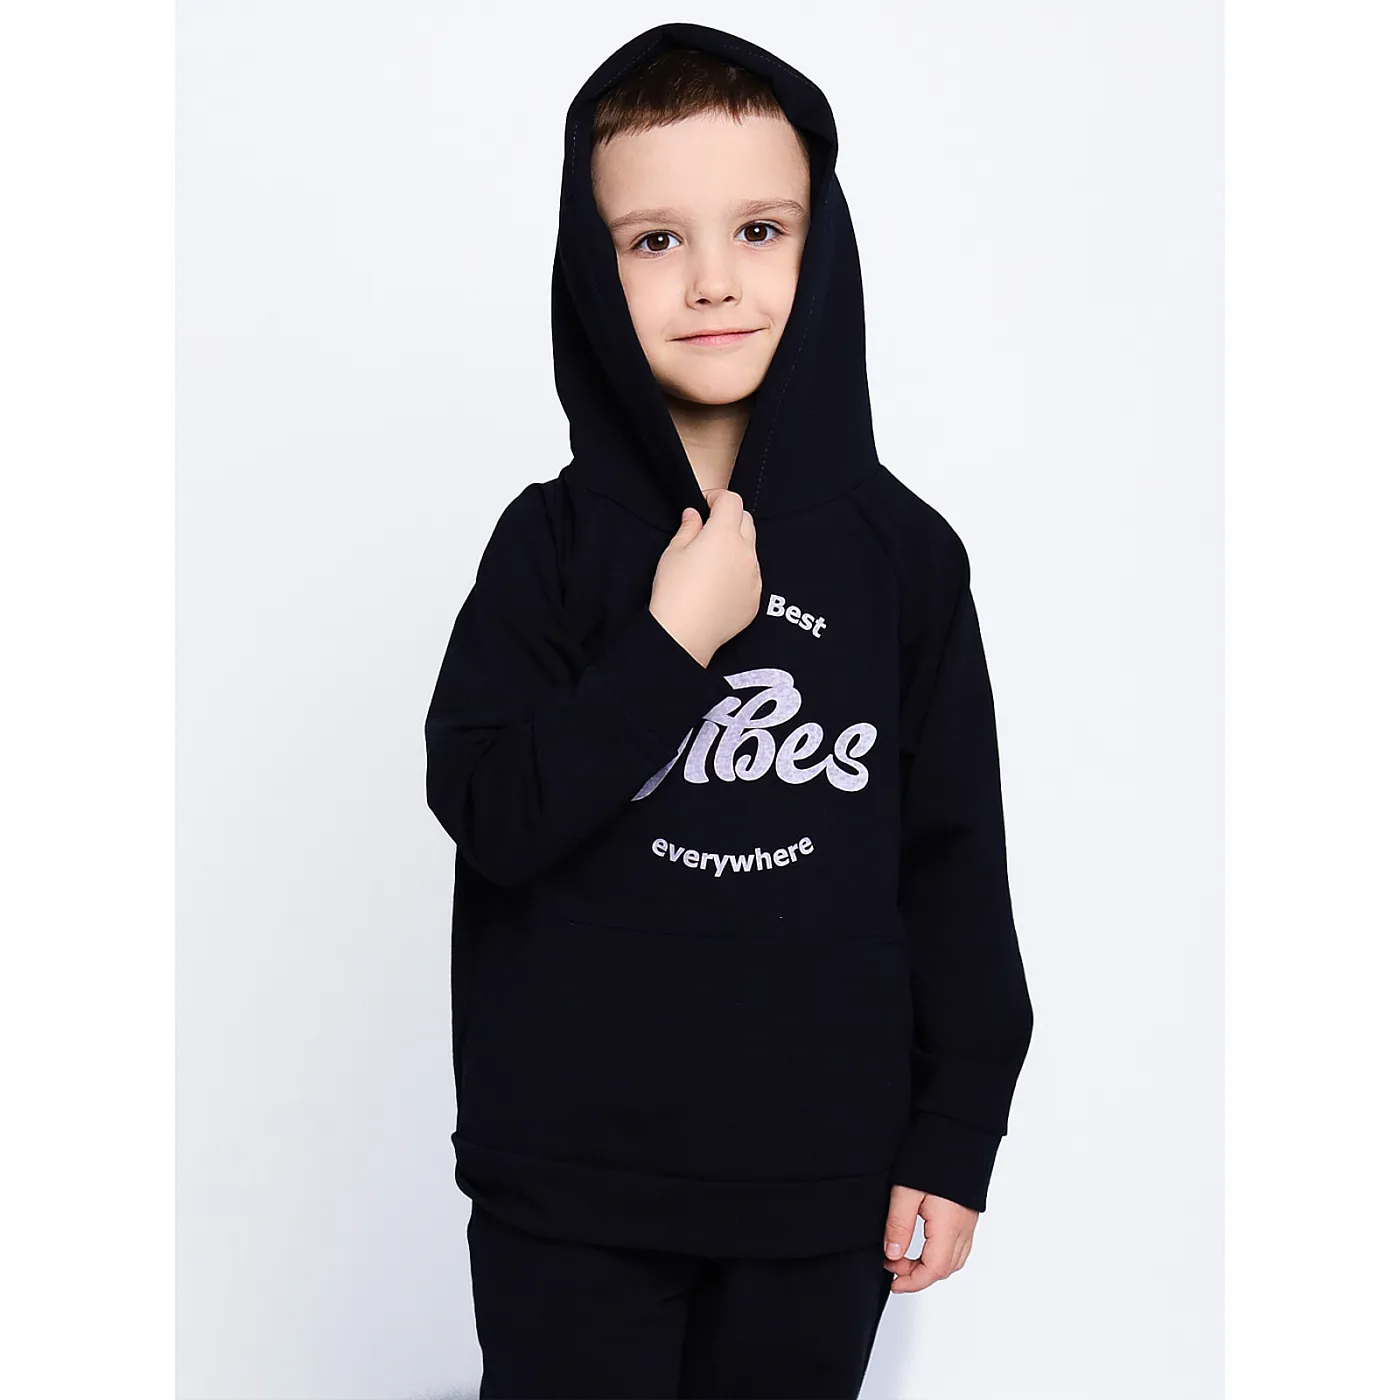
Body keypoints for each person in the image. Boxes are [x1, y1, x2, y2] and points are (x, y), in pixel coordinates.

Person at [424, 21, 1034, 1399]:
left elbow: (953, 866)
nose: (712, 280)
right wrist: (670, 644)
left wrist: (956, 1133)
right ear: (593, 271)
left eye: (760, 229)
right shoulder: (549, 549)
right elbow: (495, 813)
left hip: (818, 1186)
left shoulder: (903, 560)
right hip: (570, 1182)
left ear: (826, 247)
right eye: (655, 240)